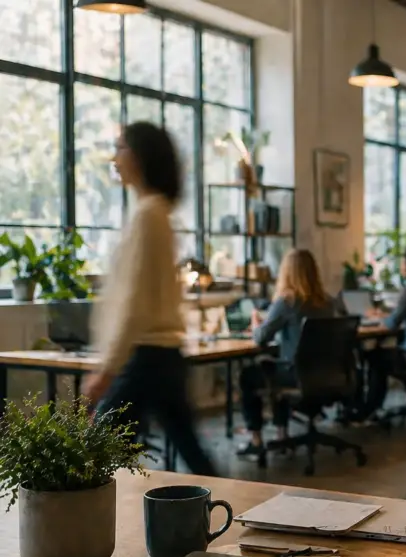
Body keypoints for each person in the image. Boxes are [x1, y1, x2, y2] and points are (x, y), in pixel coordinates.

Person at [83, 121, 218, 477]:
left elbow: (135, 301)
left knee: (91, 453)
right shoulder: (154, 213)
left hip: (147, 356)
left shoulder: (148, 215)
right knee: (191, 450)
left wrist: (107, 368)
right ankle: (228, 512)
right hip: (160, 354)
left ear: (140, 157)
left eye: (121, 148)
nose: (115, 157)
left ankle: (72, 526)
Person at [236, 248, 336, 457]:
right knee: (276, 365)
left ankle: (256, 439)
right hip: (325, 375)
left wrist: (256, 323)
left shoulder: (287, 301)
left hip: (297, 375)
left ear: (287, 273)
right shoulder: (327, 301)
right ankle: (282, 435)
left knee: (249, 375)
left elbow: (261, 337)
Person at [363, 247, 406, 415]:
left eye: (402, 264)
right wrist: (386, 315)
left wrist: (379, 318)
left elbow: (392, 324)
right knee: (385, 352)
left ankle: (370, 408)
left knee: (374, 356)